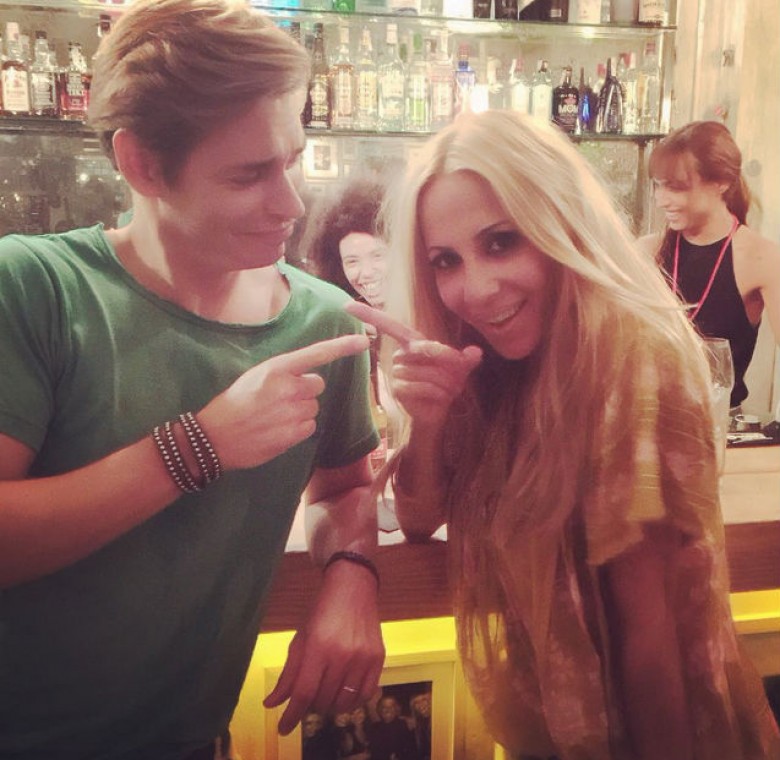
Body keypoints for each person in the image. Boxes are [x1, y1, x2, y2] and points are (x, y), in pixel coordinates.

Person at [0, 0, 385, 757]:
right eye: (249, 175)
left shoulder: (323, 322)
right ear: (142, 164)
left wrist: (353, 575)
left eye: (292, 159)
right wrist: (199, 446)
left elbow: (345, 489)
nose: (291, 202)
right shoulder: (34, 287)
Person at [347, 110, 780, 759]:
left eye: (501, 242)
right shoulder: (493, 362)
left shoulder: (632, 359)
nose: (476, 289)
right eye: (445, 260)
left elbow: (651, 639)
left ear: (561, 224)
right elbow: (417, 517)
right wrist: (430, 424)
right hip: (552, 732)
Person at [637, 120, 780, 409]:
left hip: (720, 423)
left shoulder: (761, 258)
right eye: (658, 186)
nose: (661, 200)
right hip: (650, 417)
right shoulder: (646, 251)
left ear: (721, 183)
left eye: (676, 187)